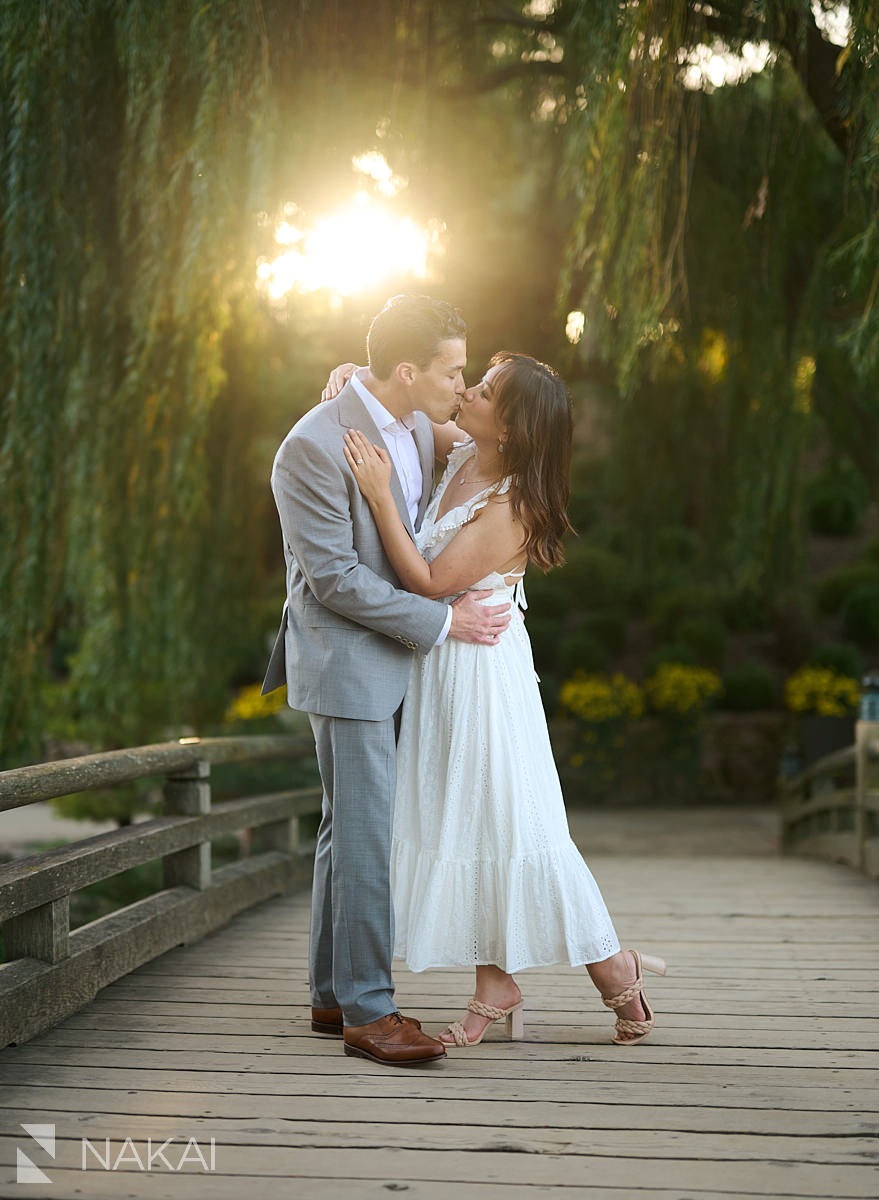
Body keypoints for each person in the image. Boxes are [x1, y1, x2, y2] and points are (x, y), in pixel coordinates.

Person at [334, 351, 666, 1047]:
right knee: (474, 823)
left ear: (510, 430)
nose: (464, 392)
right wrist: (351, 380)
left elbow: (426, 580)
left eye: (481, 391)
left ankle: (612, 971)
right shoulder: (463, 453)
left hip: (481, 676)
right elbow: (407, 416)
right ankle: (499, 982)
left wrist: (379, 498)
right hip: (442, 667)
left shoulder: (510, 505)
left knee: (516, 825)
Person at [262, 295, 512, 1067]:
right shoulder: (312, 445)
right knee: (365, 835)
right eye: (452, 370)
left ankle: (331, 994)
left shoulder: (410, 423)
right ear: (408, 370)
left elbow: (498, 440)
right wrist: (441, 624)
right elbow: (333, 578)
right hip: (346, 661)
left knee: (347, 831)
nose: (461, 384)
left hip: (384, 659)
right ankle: (370, 1012)